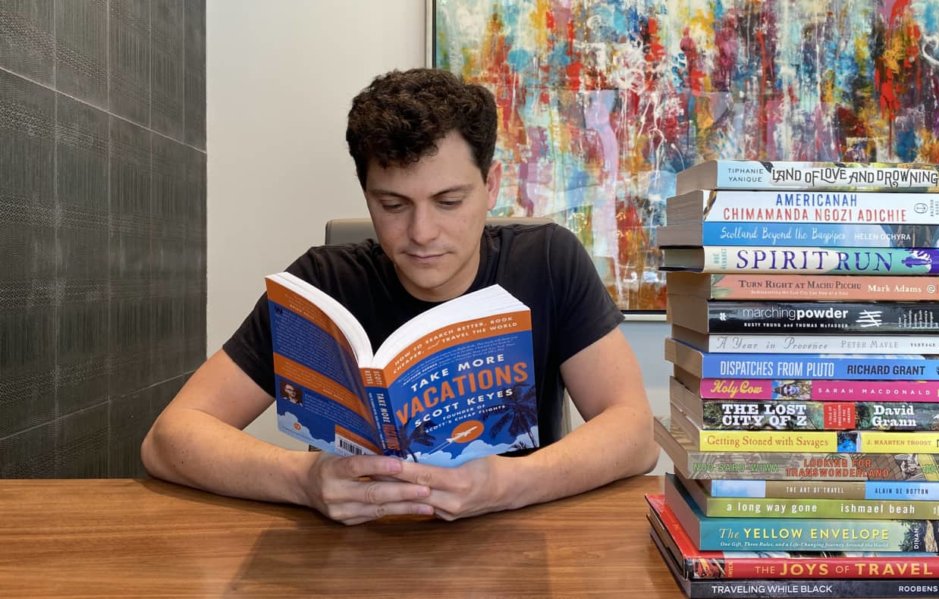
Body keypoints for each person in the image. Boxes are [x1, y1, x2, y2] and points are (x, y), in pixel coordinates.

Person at [141, 68, 658, 525]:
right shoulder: (323, 284)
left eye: (449, 200)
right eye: (393, 205)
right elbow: (169, 439)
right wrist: (303, 480)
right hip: (351, 562)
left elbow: (635, 434)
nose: (422, 232)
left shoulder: (548, 261)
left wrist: (509, 484)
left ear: (491, 185)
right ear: (366, 194)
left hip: (515, 552)